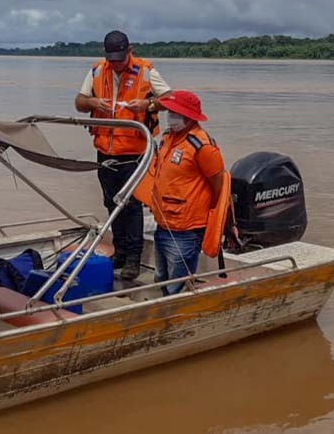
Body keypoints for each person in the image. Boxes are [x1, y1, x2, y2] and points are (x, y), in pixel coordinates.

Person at [74, 30, 172, 280]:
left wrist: (148, 105)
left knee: (131, 206)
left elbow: (171, 99)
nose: (116, 65)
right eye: (112, 60)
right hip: (104, 151)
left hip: (135, 152)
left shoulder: (146, 70)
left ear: (130, 51)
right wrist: (94, 104)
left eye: (121, 59)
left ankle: (133, 259)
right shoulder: (97, 70)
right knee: (110, 202)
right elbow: (79, 101)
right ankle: (119, 251)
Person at [140, 90, 226, 296]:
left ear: (189, 117)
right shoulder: (168, 138)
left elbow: (218, 183)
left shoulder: (202, 146)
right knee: (161, 277)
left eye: (175, 113)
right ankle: (164, 307)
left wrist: (203, 210)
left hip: (186, 229)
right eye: (170, 112)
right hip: (163, 222)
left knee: (177, 284)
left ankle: (174, 317)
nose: (171, 117)